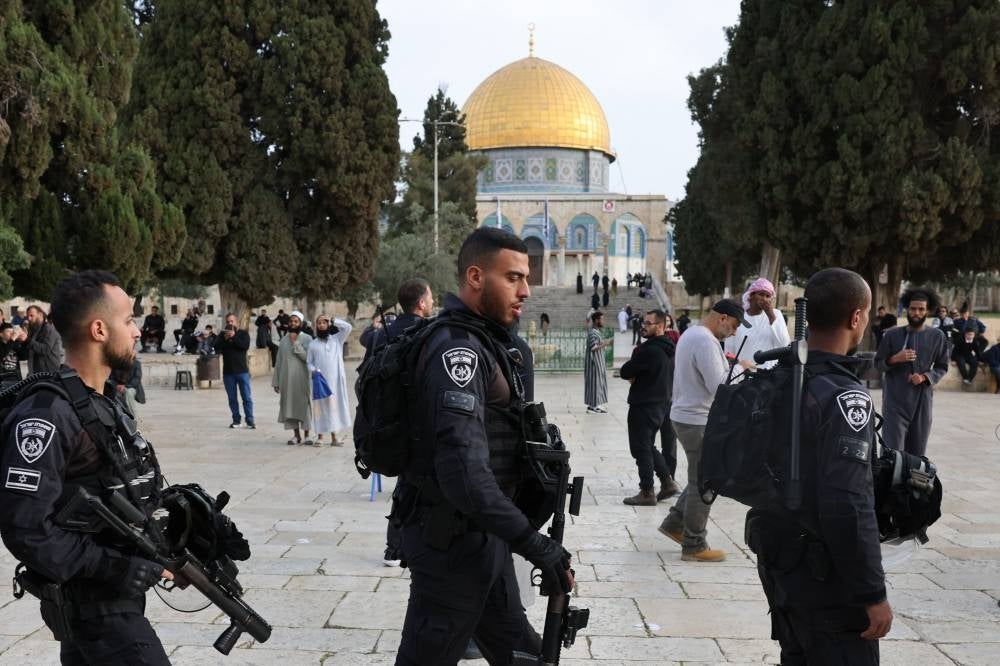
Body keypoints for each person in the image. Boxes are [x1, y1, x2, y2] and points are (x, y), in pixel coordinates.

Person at [393, 228, 571, 664]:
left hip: (482, 539)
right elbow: (465, 476)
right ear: (475, 276)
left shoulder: (489, 343)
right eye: (512, 278)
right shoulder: (458, 351)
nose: (526, 291)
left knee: (525, 655)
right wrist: (536, 544)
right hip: (450, 546)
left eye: (525, 278)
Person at [0, 270, 174, 664]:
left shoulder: (101, 401)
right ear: (99, 329)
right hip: (95, 607)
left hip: (116, 602)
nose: (135, 331)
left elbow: (118, 487)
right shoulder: (48, 414)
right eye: (128, 320)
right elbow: (25, 527)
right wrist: (112, 566)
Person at [746, 267, 890, 665]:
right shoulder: (845, 397)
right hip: (826, 580)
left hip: (781, 564)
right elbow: (847, 502)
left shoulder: (783, 378)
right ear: (856, 318)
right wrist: (872, 593)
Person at [659, 298, 751, 563]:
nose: (733, 333)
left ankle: (675, 523)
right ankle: (694, 544)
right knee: (707, 482)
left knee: (701, 476)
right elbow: (719, 385)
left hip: (687, 417)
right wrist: (742, 370)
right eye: (733, 326)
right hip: (696, 420)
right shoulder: (705, 340)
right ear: (722, 318)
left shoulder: (694, 335)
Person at [874, 288, 950, 457]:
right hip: (895, 401)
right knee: (892, 453)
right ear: (907, 309)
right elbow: (878, 364)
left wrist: (925, 377)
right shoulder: (892, 335)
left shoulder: (937, 336)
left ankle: (912, 484)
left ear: (928, 311)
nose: (916, 313)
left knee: (917, 453)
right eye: (913, 308)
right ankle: (889, 484)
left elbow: (942, 366)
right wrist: (895, 359)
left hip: (922, 402)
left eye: (921, 309)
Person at [619, 310, 680, 505]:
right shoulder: (670, 348)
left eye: (648, 323)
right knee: (648, 446)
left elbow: (625, 371)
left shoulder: (649, 350)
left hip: (644, 405)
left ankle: (647, 491)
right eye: (643, 322)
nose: (643, 326)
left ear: (661, 326)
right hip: (661, 405)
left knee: (640, 449)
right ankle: (667, 481)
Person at [307, 313, 353, 446]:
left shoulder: (337, 340)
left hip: (335, 382)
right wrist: (313, 370)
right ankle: (320, 437)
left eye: (324, 322)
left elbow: (348, 327)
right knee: (319, 409)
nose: (321, 325)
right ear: (316, 326)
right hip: (319, 382)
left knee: (333, 409)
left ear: (328, 325)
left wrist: (333, 320)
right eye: (319, 323)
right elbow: (309, 362)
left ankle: (334, 437)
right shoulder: (313, 344)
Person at [725, 278, 790, 370]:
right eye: (761, 294)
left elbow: (784, 344)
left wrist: (771, 315)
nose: (764, 299)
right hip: (743, 375)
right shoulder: (738, 317)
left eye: (768, 296)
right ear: (751, 295)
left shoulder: (776, 315)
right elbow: (729, 350)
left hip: (769, 376)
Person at [273, 310, 313, 445]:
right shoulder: (284, 340)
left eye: (296, 321)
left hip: (302, 380)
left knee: (304, 407)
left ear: (300, 323)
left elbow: (308, 359)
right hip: (287, 380)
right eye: (291, 321)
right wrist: (276, 381)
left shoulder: (307, 338)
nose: (293, 323)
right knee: (289, 407)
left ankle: (307, 435)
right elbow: (278, 362)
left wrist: (296, 343)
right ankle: (296, 435)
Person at [216, 313, 255, 430]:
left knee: (246, 397)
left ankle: (250, 420)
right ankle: (236, 420)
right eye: (228, 321)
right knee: (232, 398)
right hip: (228, 373)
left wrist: (234, 337)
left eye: (232, 321)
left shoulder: (242, 334)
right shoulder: (222, 335)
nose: (230, 323)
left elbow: (244, 346)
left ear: (236, 322)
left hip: (242, 371)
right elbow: (216, 348)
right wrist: (224, 339)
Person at [25, 305, 64, 374]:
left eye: (31, 315)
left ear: (40, 314)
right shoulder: (33, 330)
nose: (29, 319)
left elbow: (45, 349)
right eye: (27, 316)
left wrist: (26, 339)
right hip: (35, 373)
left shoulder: (49, 329)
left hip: (48, 373)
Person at [584, 311, 611, 414]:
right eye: (601, 319)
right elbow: (593, 347)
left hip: (598, 363)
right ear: (596, 320)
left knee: (598, 384)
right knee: (594, 384)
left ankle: (595, 405)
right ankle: (592, 407)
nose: (603, 321)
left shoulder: (597, 332)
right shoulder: (592, 333)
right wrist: (605, 344)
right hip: (594, 364)